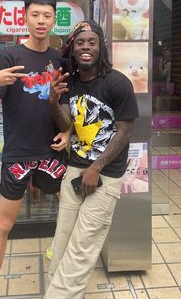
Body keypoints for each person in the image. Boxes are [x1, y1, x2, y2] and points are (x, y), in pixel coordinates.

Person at [0, 0, 70, 299]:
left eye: (47, 15)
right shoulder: (9, 56)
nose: (41, 21)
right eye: (35, 15)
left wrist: (69, 134)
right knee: (4, 224)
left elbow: (68, 107)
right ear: (25, 18)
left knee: (69, 208)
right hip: (18, 152)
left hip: (52, 151)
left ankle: (57, 251)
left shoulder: (60, 60)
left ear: (53, 19)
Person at [44, 21, 139, 299]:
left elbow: (124, 132)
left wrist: (96, 167)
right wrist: (52, 101)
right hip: (76, 167)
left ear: (101, 47)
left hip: (106, 173)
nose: (86, 47)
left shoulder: (118, 83)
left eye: (92, 42)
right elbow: (67, 123)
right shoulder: (70, 82)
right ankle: (57, 289)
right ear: (72, 49)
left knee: (83, 244)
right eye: (80, 43)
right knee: (63, 237)